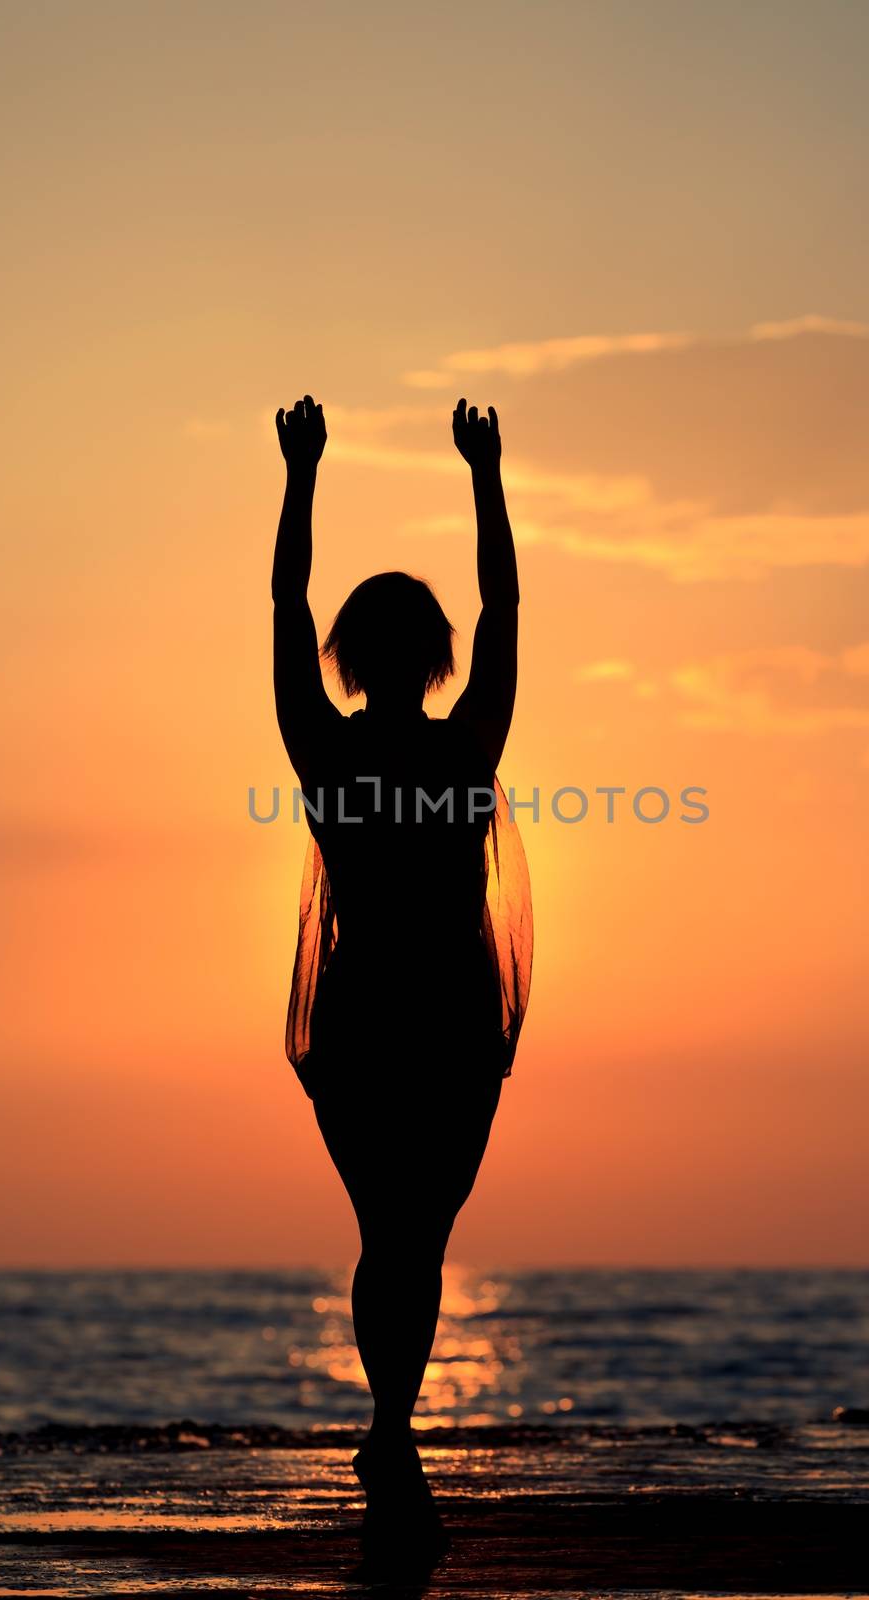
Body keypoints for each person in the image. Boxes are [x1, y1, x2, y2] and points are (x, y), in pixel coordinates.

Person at [271, 393, 532, 1566]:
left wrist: (301, 471)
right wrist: (484, 471)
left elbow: (281, 605)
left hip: (366, 1012)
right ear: (431, 657)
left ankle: (391, 1426)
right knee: (417, 1231)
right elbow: (508, 606)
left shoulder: (324, 752)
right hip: (446, 1019)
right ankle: (389, 1425)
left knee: (392, 1228)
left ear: (348, 657)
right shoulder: (465, 744)